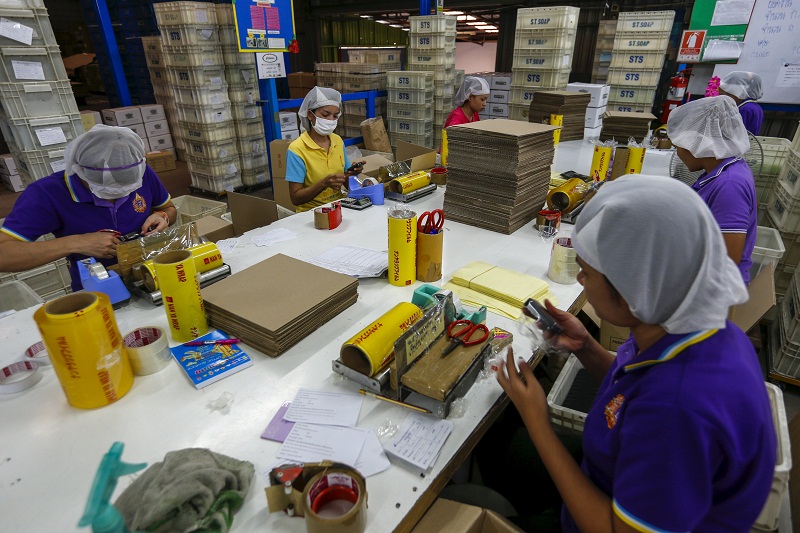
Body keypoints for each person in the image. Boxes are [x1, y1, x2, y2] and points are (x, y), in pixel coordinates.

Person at [496, 175, 776, 532]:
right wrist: (586, 347)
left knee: (478, 494)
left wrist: (538, 422)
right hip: (615, 473)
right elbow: (639, 384)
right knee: (506, 447)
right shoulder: (693, 325)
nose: (580, 279)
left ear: (634, 290)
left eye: (587, 271)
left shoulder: (676, 410)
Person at [0, 125, 176, 291]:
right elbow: (4, 255)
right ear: (79, 170)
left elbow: (169, 209)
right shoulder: (47, 193)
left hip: (152, 272)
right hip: (97, 285)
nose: (118, 193)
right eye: (106, 187)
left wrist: (163, 216)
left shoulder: (139, 171)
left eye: (126, 187)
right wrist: (75, 243)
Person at [668, 95, 757, 284]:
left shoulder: (730, 185)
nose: (678, 153)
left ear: (698, 143)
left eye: (678, 146)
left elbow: (727, 260)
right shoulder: (720, 171)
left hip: (713, 289)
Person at [286, 86, 362, 213]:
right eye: (325, 115)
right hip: (312, 213)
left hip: (337, 207)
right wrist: (323, 184)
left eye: (335, 116)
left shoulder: (337, 141)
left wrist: (351, 174)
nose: (331, 120)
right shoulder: (297, 149)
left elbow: (346, 184)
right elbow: (296, 198)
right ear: (310, 115)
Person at [718, 71, 764, 135]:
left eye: (729, 94)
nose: (727, 97)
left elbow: (736, 134)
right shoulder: (755, 107)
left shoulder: (745, 109)